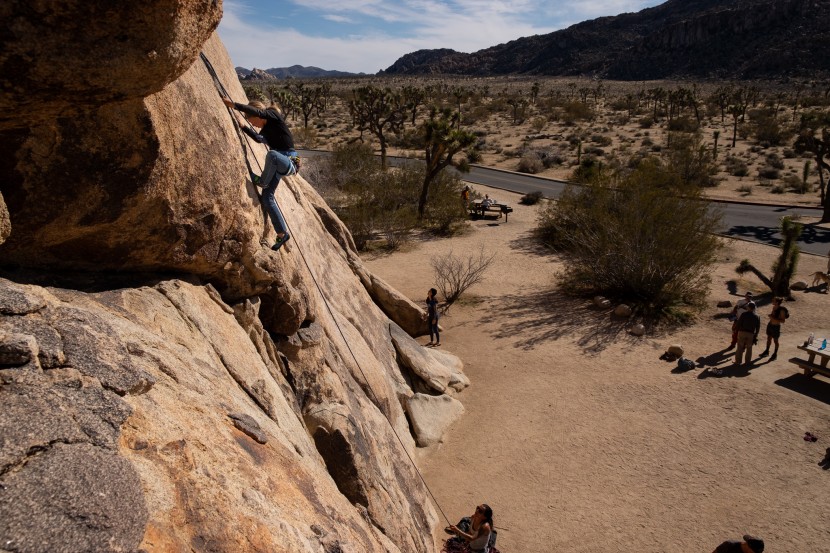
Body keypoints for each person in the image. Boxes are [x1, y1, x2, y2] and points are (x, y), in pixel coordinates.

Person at [222, 98, 297, 251]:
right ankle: (282, 233)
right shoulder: (265, 130)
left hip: (289, 162)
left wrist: (234, 105)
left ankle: (262, 181)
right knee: (267, 198)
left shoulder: (273, 116)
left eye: (251, 120)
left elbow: (258, 111)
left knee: (272, 154)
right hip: (279, 164)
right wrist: (243, 126)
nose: (252, 123)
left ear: (258, 116)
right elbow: (258, 139)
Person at [734, 301, 760, 366]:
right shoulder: (757, 316)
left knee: (740, 347)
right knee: (749, 348)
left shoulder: (744, 314)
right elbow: (758, 327)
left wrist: (736, 330)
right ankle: (747, 362)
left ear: (748, 307)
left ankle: (738, 361)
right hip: (751, 334)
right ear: (754, 308)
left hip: (742, 332)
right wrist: (756, 335)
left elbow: (739, 323)